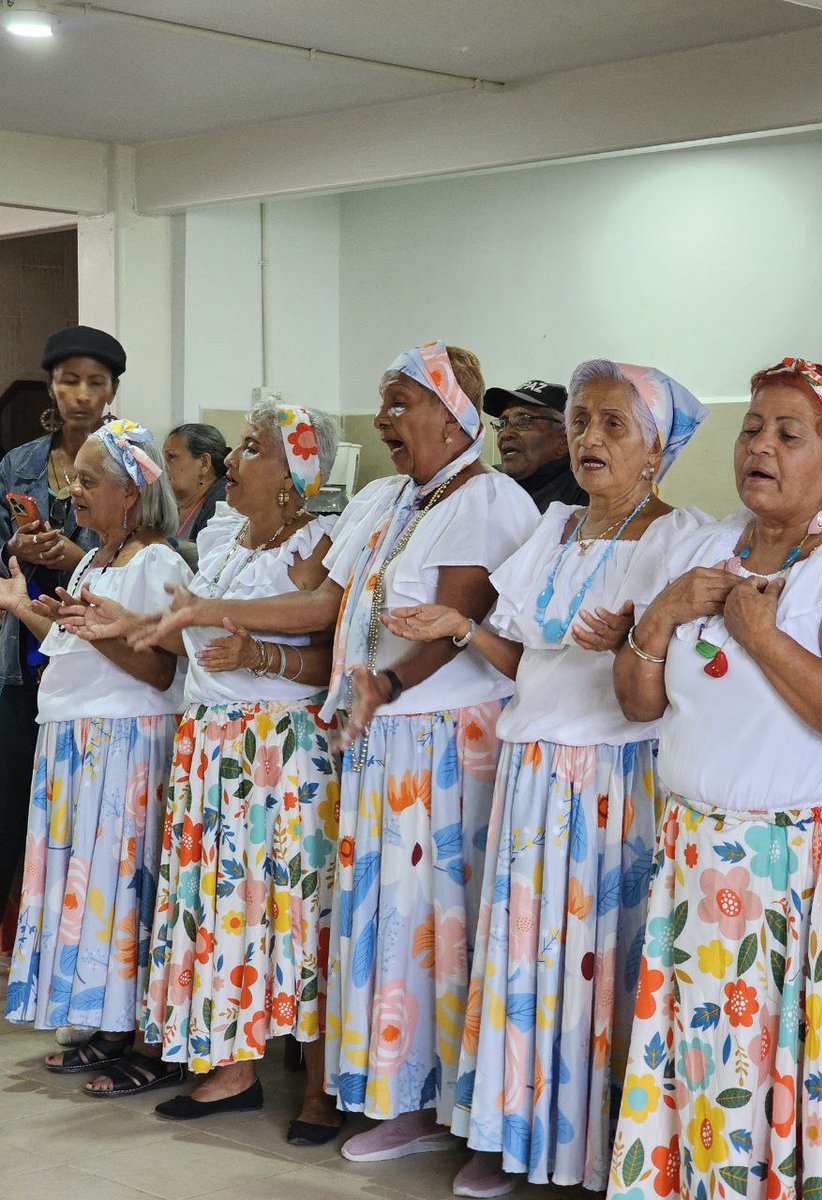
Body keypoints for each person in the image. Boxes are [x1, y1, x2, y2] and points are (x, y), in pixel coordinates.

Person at [133, 341, 539, 1160]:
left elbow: (460, 622)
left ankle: (456, 1108)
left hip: (445, 739)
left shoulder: (489, 499)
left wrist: (378, 687)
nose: (386, 420)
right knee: (390, 921)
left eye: (402, 403)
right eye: (383, 404)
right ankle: (406, 1093)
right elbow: (328, 598)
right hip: (378, 735)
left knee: (440, 919)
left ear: (457, 410)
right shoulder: (391, 498)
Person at [384, 359, 709, 1195]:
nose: (589, 439)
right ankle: (518, 1134)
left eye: (613, 426)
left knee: (601, 963)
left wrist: (642, 639)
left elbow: (690, 674)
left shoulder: (685, 539)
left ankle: (594, 1145)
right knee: (527, 957)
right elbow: (525, 656)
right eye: (583, 422)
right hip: (533, 773)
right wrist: (461, 625)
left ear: (657, 449)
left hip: (614, 779)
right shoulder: (557, 526)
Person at [608, 358, 822, 1200]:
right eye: (751, 428)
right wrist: (661, 616)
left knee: (792, 1065)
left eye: (787, 433)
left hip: (806, 878)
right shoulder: (707, 545)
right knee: (711, 1067)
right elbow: (636, 704)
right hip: (700, 863)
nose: (759, 446)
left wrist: (761, 634)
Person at [64, 405, 344, 1137]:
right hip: (211, 749)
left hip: (278, 753)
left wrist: (260, 657)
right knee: (225, 912)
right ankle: (233, 1066)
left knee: (290, 912)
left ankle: (319, 1086)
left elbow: (328, 660)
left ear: (293, 476)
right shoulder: (221, 545)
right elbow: (192, 637)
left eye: (252, 449)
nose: (232, 460)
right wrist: (129, 627)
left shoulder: (318, 543)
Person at [3, 420, 191, 1098]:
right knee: (95, 893)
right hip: (75, 740)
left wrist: (101, 633)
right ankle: (110, 1026)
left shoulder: (158, 564)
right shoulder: (93, 559)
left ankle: (148, 1038)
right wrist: (26, 610)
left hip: (125, 745)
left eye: (88, 481)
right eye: (73, 479)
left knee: (125, 890)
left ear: (132, 495)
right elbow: (74, 641)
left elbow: (161, 672)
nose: (72, 491)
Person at [0, 325, 124, 930]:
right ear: (51, 386)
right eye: (69, 380)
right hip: (21, 652)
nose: (81, 394)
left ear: (112, 391)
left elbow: (140, 553)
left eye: (94, 383)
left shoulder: (130, 460)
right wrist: (16, 550)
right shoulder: (18, 463)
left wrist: (71, 558)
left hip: (91, 653)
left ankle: (66, 933)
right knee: (9, 798)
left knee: (75, 808)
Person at [485, 378, 587, 512]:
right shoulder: (487, 481)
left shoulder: (584, 491)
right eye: (502, 423)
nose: (505, 433)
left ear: (563, 440)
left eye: (523, 421)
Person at [163, 423, 229, 542]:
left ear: (203, 463)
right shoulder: (166, 505)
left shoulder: (223, 504)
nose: (163, 466)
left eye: (171, 457)